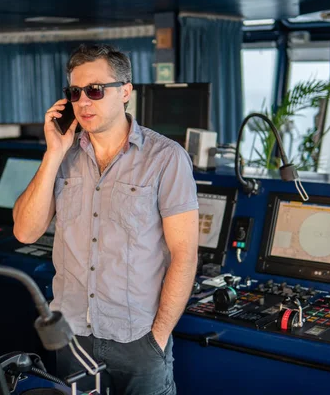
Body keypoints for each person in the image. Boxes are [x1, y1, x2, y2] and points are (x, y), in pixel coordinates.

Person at [13, 44, 199, 395]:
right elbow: (24, 231)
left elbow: (184, 255)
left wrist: (157, 337)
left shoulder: (166, 158)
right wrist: (53, 152)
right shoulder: (63, 157)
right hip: (73, 337)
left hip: (139, 339)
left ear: (125, 91)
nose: (83, 102)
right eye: (74, 92)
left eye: (95, 90)